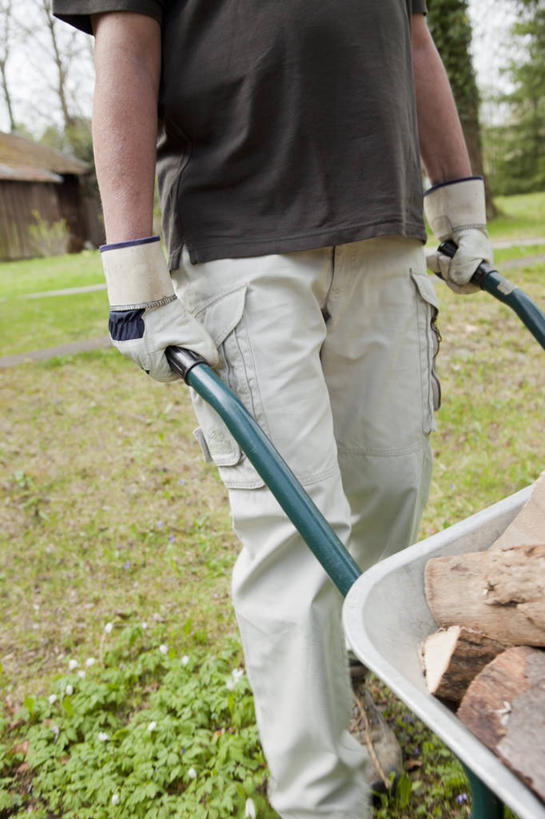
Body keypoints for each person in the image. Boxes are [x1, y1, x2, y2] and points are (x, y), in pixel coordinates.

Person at [53, 2, 493, 816]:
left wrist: (459, 202)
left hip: (384, 227)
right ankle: (319, 797)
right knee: (297, 534)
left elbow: (413, 36)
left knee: (391, 493)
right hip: (240, 239)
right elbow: (126, 40)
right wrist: (131, 274)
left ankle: (345, 680)